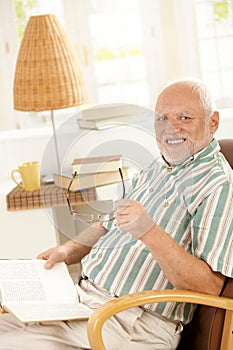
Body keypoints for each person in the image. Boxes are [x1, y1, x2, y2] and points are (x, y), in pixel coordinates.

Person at [0, 79, 232, 350]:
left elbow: (212, 286)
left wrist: (148, 231)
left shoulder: (218, 186)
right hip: (83, 301)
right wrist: (67, 250)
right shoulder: (156, 167)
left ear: (213, 122)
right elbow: (107, 224)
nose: (171, 128)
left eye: (184, 117)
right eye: (162, 118)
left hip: (131, 323)